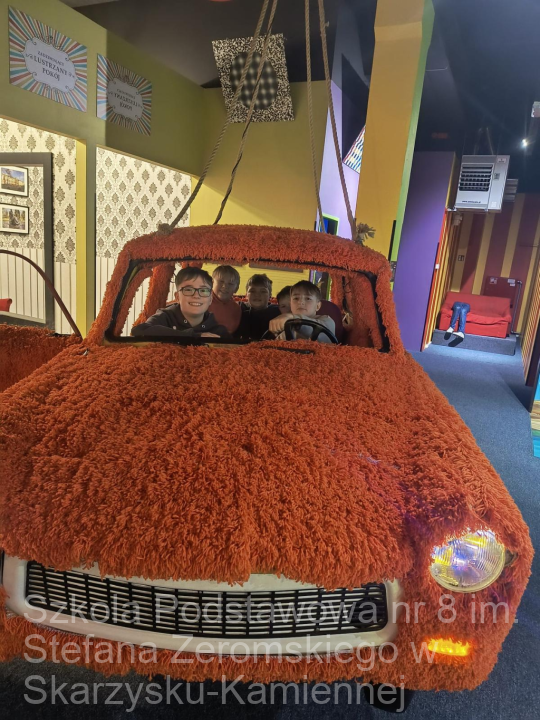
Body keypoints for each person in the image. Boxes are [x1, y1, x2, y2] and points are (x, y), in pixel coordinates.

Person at [131, 267, 230, 339]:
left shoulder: (218, 331)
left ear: (210, 299)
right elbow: (139, 331)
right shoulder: (164, 317)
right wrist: (194, 336)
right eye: (188, 290)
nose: (196, 295)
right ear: (177, 297)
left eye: (203, 290)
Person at [269, 280, 336, 343]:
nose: (300, 302)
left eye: (308, 298)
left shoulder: (327, 321)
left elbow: (324, 337)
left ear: (318, 306)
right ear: (291, 304)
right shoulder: (286, 330)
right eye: (296, 298)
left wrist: (292, 317)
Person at [236, 273, 280, 340]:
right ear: (246, 294)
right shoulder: (240, 312)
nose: (257, 295)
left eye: (263, 291)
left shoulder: (277, 312)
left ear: (270, 295)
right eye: (252, 291)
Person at [209, 265, 242, 334]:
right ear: (212, 283)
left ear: (236, 288)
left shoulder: (236, 308)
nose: (225, 286)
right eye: (221, 281)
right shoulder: (203, 302)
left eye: (230, 284)